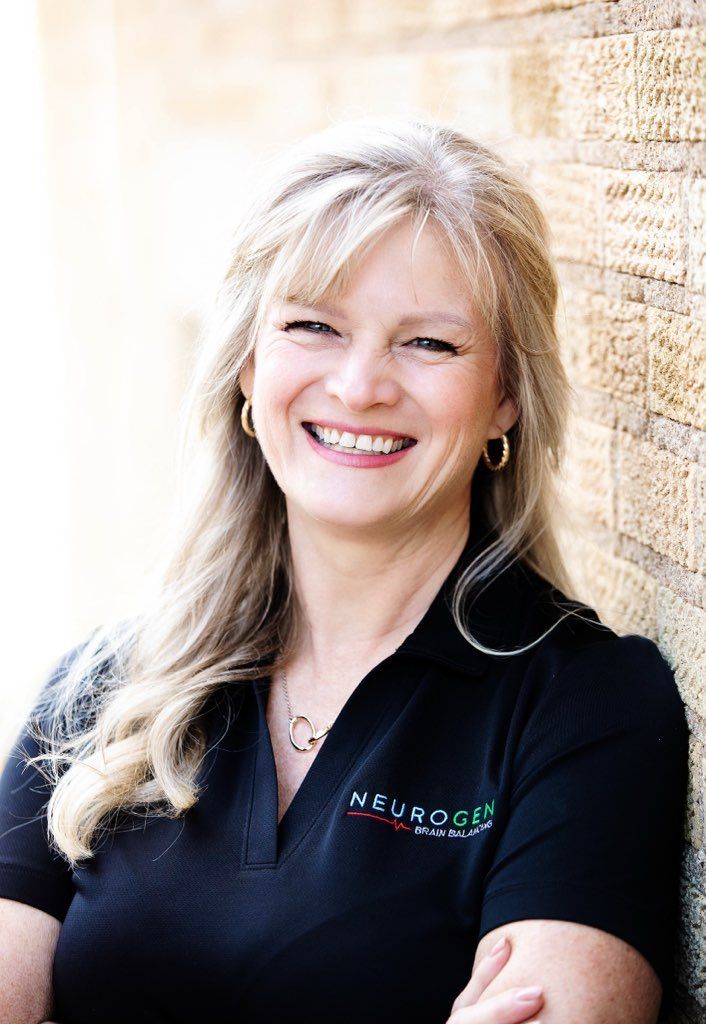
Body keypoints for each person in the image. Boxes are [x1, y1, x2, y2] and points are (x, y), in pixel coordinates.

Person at [0, 116, 689, 1024]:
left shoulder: (581, 708)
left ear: (506, 399)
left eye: (429, 343)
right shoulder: (104, 693)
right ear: (248, 368)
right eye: (314, 326)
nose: (361, 386)